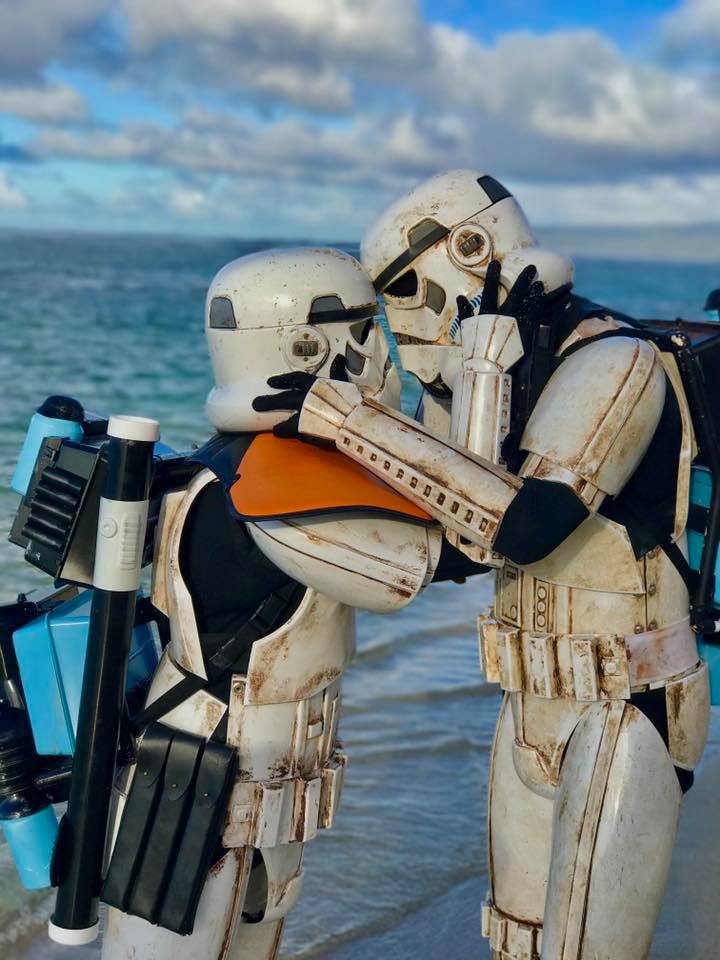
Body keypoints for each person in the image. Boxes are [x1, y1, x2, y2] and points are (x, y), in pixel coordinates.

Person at [255, 171, 711, 960]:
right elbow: (456, 536)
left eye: (404, 289)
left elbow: (526, 526)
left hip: (623, 708)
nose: (401, 318)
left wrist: (354, 421)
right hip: (528, 703)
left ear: (469, 247)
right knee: (514, 938)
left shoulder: (616, 361)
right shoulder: (514, 370)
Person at [99, 247, 448, 960]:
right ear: (307, 347)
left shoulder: (229, 458)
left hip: (243, 757)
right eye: (365, 331)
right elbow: (434, 558)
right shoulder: (271, 480)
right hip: (206, 766)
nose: (379, 354)